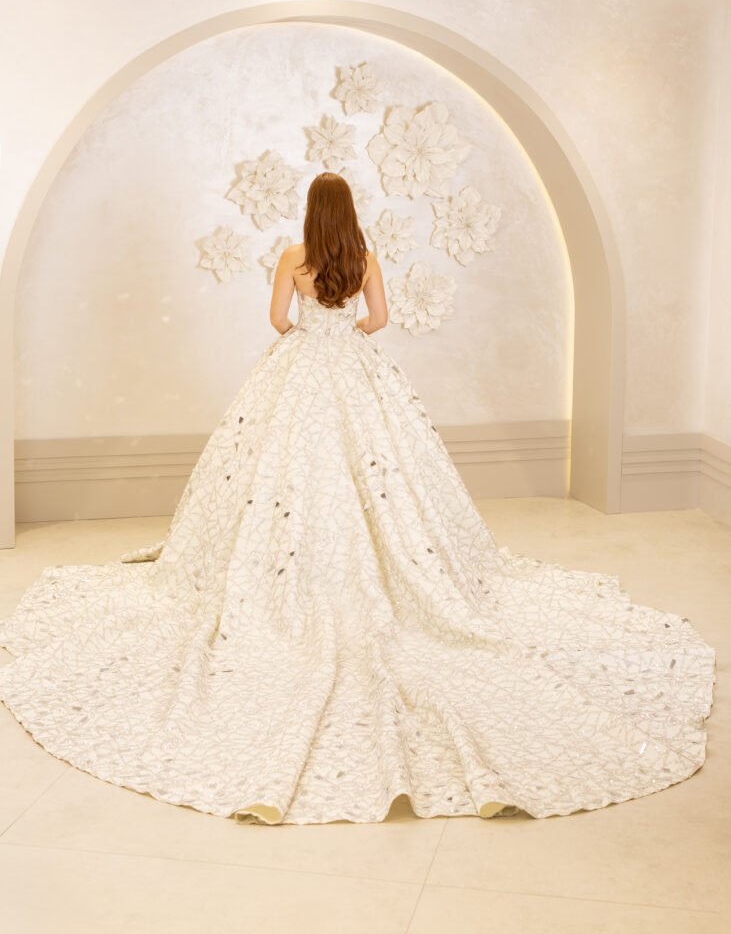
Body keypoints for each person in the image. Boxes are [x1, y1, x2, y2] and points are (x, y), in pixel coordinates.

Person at [0, 172, 716, 826]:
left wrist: (308, 329)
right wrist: (343, 330)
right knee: (383, 469)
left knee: (277, 470)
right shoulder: (365, 257)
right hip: (354, 367)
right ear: (348, 214)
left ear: (312, 213)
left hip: (299, 368)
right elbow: (380, 320)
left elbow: (276, 320)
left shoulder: (292, 257)